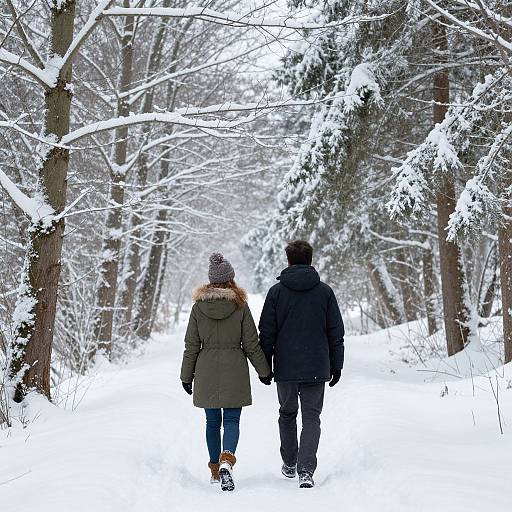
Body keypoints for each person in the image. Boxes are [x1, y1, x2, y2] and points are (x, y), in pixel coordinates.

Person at [180, 252, 272, 492]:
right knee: (231, 420)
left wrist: (186, 376)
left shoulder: (198, 308)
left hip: (206, 368)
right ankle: (226, 460)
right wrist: (264, 371)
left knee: (212, 422)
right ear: (231, 280)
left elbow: (191, 345)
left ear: (210, 281)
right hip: (234, 369)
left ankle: (214, 470)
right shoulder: (240, 307)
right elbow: (251, 344)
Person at [258, 240, 345, 489]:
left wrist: (265, 365)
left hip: (285, 367)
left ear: (288, 261)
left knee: (287, 414)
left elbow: (267, 332)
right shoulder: (325, 292)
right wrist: (336, 364)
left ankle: (290, 462)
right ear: (310, 260)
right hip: (317, 366)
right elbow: (335, 332)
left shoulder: (276, 293)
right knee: (311, 417)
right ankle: (306, 470)